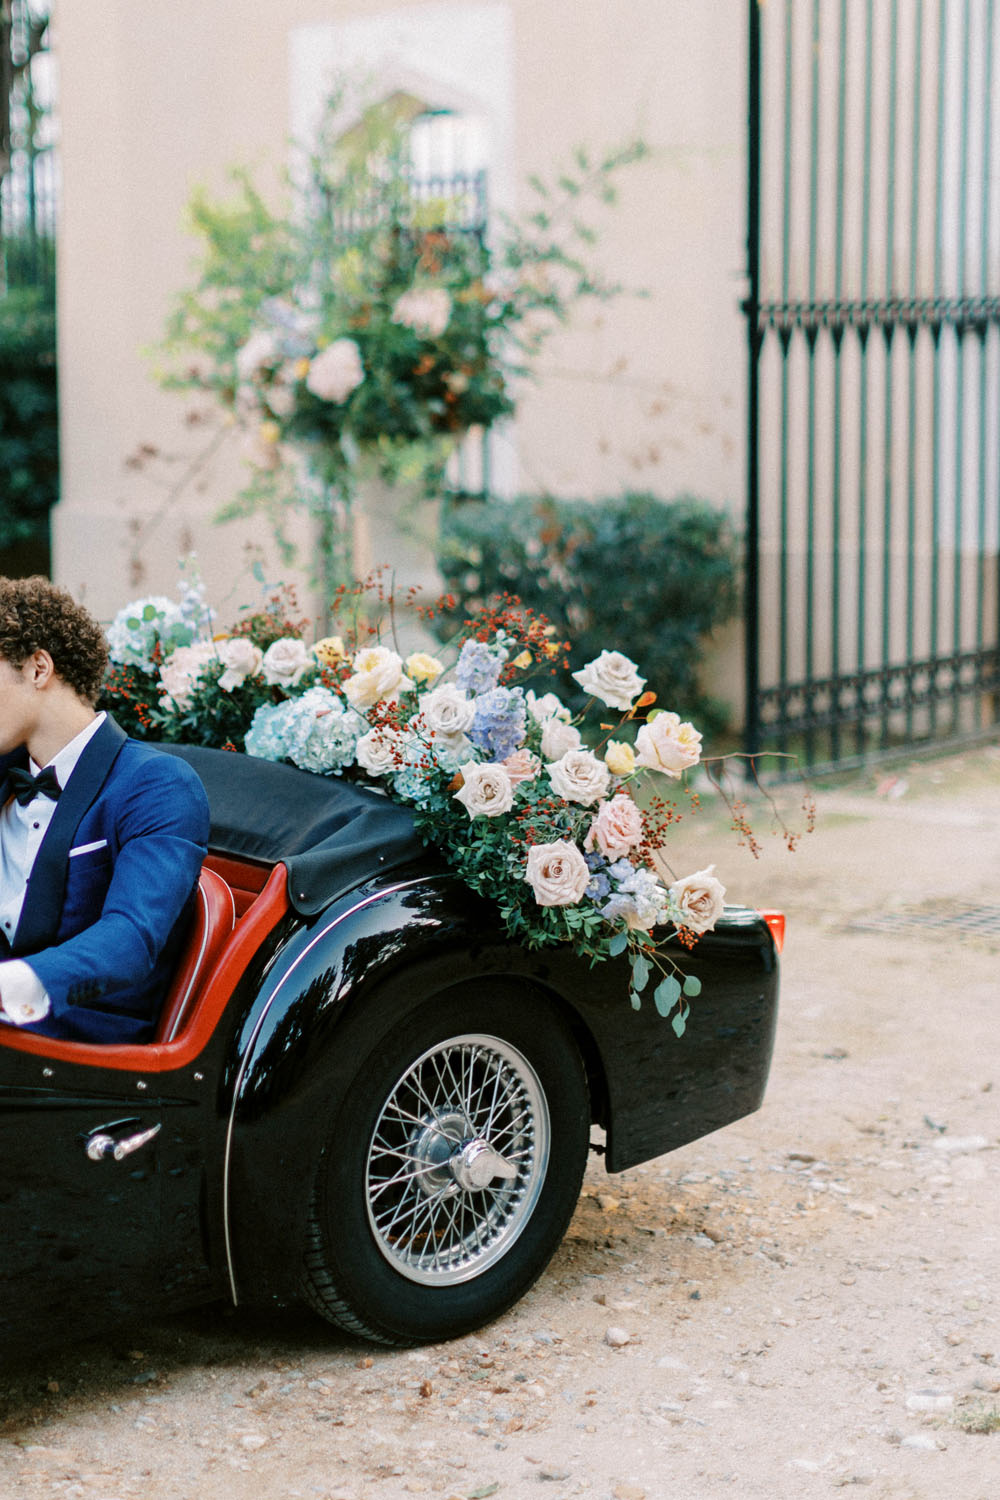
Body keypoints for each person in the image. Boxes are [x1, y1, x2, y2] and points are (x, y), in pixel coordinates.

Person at [0, 576, 210, 1044]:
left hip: (78, 1049)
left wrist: (9, 987)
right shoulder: (5, 773)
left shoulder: (157, 784)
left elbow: (130, 940)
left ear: (38, 668)